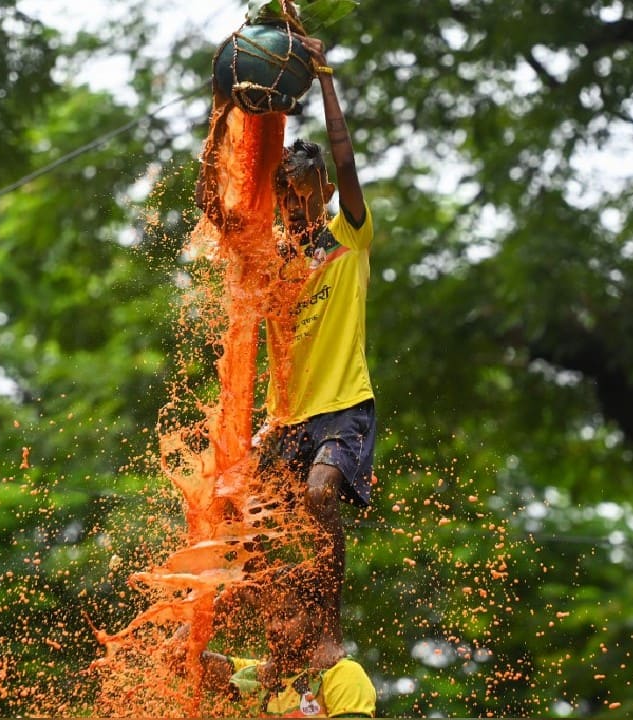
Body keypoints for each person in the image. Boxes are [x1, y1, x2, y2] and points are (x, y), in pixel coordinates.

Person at [196, 30, 376, 666]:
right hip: (285, 420)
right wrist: (222, 116)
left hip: (343, 406)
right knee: (244, 521)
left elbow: (347, 159)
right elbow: (210, 209)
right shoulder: (268, 260)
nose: (296, 208)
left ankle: (328, 631)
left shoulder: (347, 238)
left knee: (322, 494)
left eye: (305, 196)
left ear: (322, 194)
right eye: (285, 199)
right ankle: (283, 643)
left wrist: (325, 75)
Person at [175, 574, 377, 718]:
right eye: (268, 617)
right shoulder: (257, 678)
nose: (274, 627)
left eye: (287, 615)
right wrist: (231, 598)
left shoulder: (342, 674)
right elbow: (176, 657)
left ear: (315, 617)